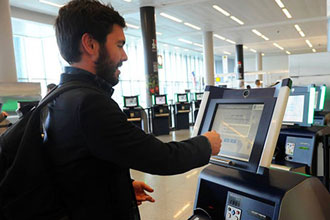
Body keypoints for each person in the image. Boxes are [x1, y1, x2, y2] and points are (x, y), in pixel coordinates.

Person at [44, 0, 222, 219]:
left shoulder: (60, 96)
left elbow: (79, 169)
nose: (125, 56)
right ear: (90, 44)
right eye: (119, 45)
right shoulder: (90, 104)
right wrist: (205, 144)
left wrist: (121, 188)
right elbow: (160, 157)